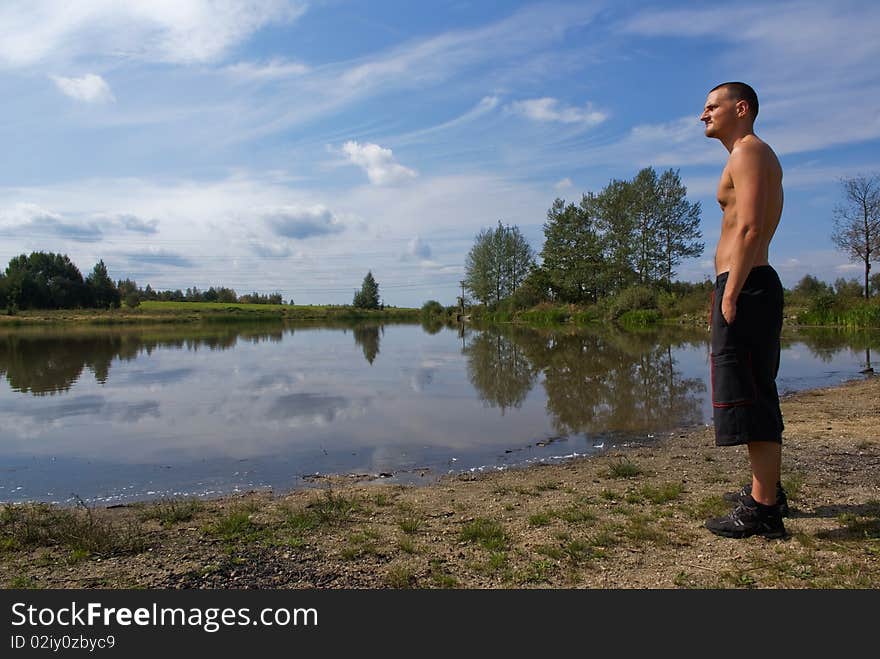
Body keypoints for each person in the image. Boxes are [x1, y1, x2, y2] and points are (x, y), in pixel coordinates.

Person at [700, 82, 788, 539]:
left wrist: (731, 292)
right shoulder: (750, 154)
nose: (703, 115)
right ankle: (767, 491)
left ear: (742, 108)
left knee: (751, 397)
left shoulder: (749, 151)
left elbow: (752, 227)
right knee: (754, 391)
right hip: (745, 283)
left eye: (711, 106)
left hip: (747, 284)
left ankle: (764, 510)